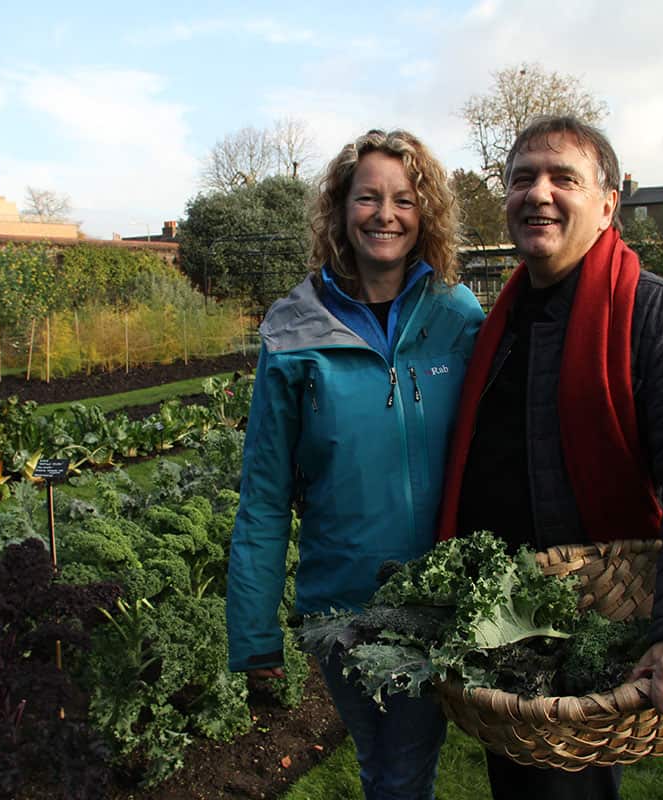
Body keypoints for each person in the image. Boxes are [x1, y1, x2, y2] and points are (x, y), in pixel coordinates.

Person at [435, 115, 663, 799]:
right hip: (503, 627)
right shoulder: (505, 319)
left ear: (609, 205)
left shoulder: (662, 315)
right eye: (523, 178)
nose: (538, 193)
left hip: (583, 623)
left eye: (563, 178)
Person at [227, 129, 485, 800]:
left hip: (440, 597)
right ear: (340, 210)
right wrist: (255, 634)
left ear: (424, 213)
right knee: (397, 766)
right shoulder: (293, 333)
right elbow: (262, 493)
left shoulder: (456, 317)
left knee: (396, 766)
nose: (386, 214)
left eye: (404, 198)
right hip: (343, 606)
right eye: (367, 197)